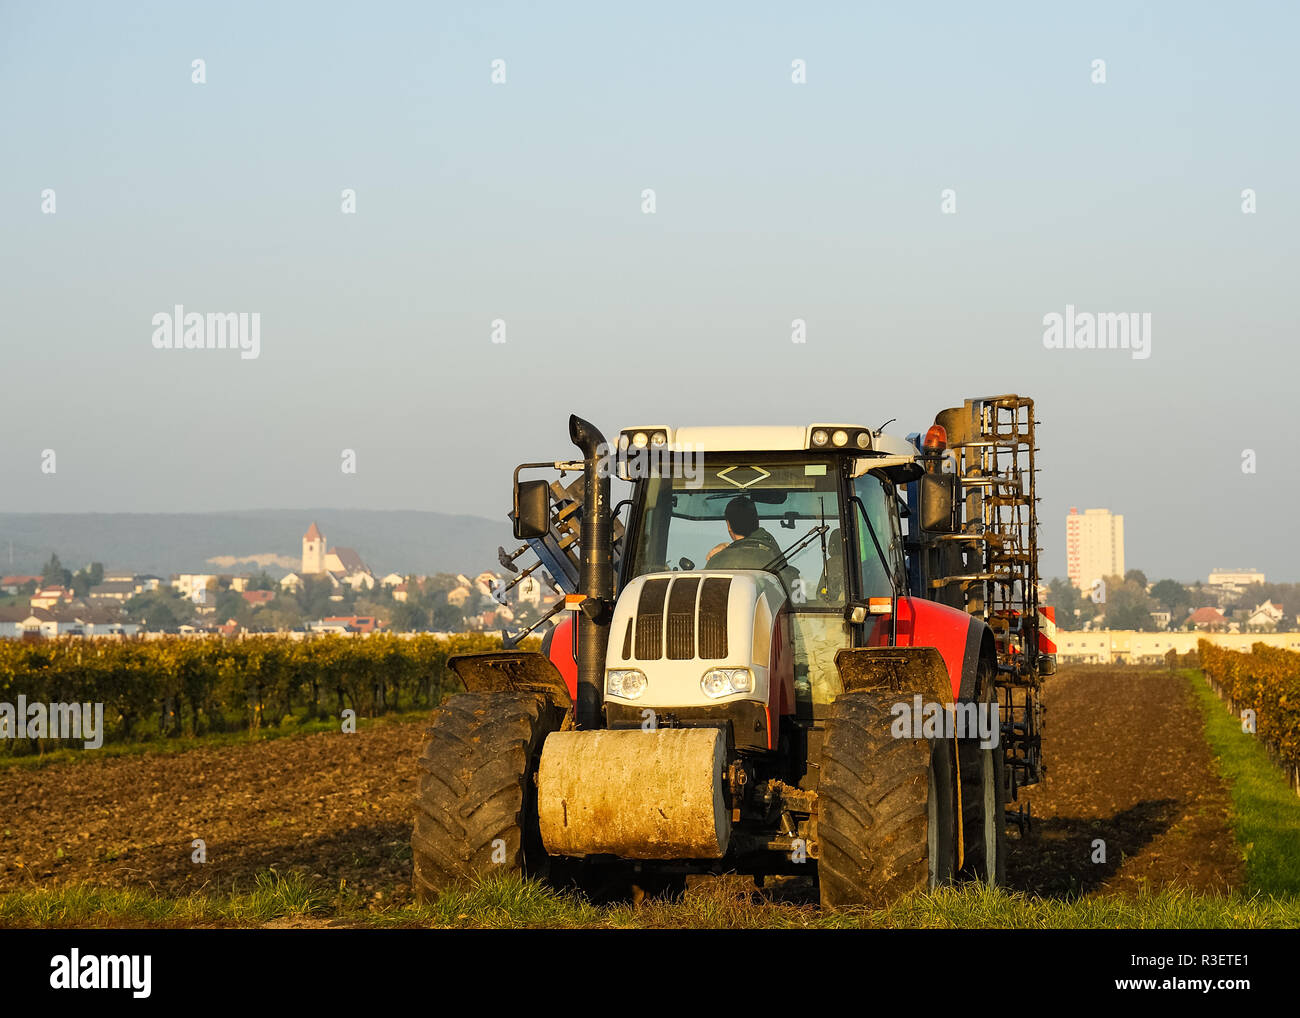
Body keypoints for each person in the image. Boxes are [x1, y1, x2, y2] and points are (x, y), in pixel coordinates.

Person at [705, 497, 783, 571]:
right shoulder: (770, 548)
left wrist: (724, 550)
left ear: (729, 525)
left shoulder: (719, 561)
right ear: (756, 520)